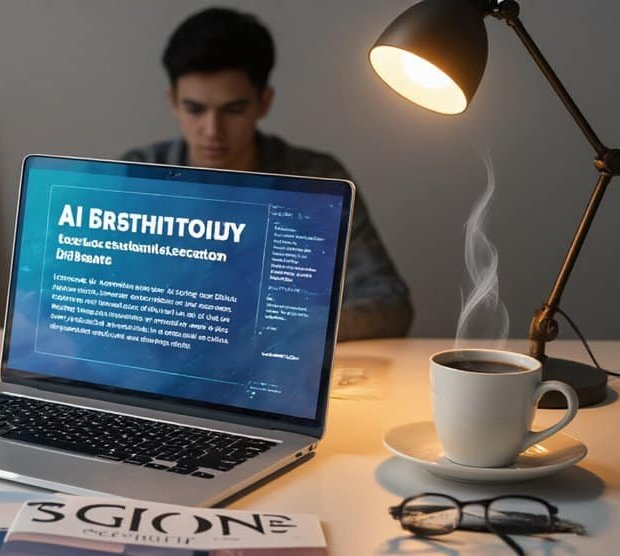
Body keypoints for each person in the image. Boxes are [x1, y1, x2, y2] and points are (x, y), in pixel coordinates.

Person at [121, 7, 413, 340]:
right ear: (173, 101)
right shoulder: (137, 176)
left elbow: (391, 303)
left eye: (234, 110)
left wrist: (291, 328)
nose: (212, 130)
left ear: (264, 102)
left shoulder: (313, 179)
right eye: (195, 109)